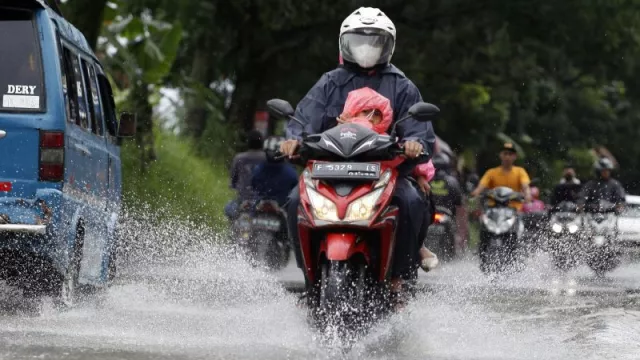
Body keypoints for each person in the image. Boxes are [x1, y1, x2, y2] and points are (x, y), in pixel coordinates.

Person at [279, 7, 437, 296]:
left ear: (388, 45)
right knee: (293, 201)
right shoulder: (329, 82)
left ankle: (399, 279)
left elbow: (419, 131)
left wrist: (415, 144)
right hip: (328, 169)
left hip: (385, 171)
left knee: (412, 200)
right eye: (359, 42)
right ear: (344, 43)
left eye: (374, 42)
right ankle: (309, 279)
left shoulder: (402, 86)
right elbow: (303, 119)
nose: (366, 49)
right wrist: (292, 140)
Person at [338, 87, 439, 272]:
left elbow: (413, 157)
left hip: (382, 190)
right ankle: (312, 286)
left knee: (412, 201)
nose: (370, 117)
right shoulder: (336, 134)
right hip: (341, 191)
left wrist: (421, 174)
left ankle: (402, 271)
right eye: (365, 111)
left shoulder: (390, 141)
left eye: (376, 113)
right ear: (352, 110)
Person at [471, 142, 532, 208]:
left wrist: (528, 195)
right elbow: (481, 186)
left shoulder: (520, 171)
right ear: (500, 155)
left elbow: (525, 186)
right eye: (505, 153)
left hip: (514, 209)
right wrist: (475, 193)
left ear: (515, 156)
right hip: (493, 208)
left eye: (510, 154)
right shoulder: (491, 172)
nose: (507, 156)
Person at [224, 130, 266, 219]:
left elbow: (233, 181)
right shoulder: (267, 159)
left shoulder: (239, 158)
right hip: (262, 200)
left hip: (243, 199)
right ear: (262, 143)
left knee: (228, 209)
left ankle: (232, 231)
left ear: (248, 142)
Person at [251, 136, 299, 207]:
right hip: (283, 207)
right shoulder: (291, 172)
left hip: (260, 206)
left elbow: (253, 186)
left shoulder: (257, 169)